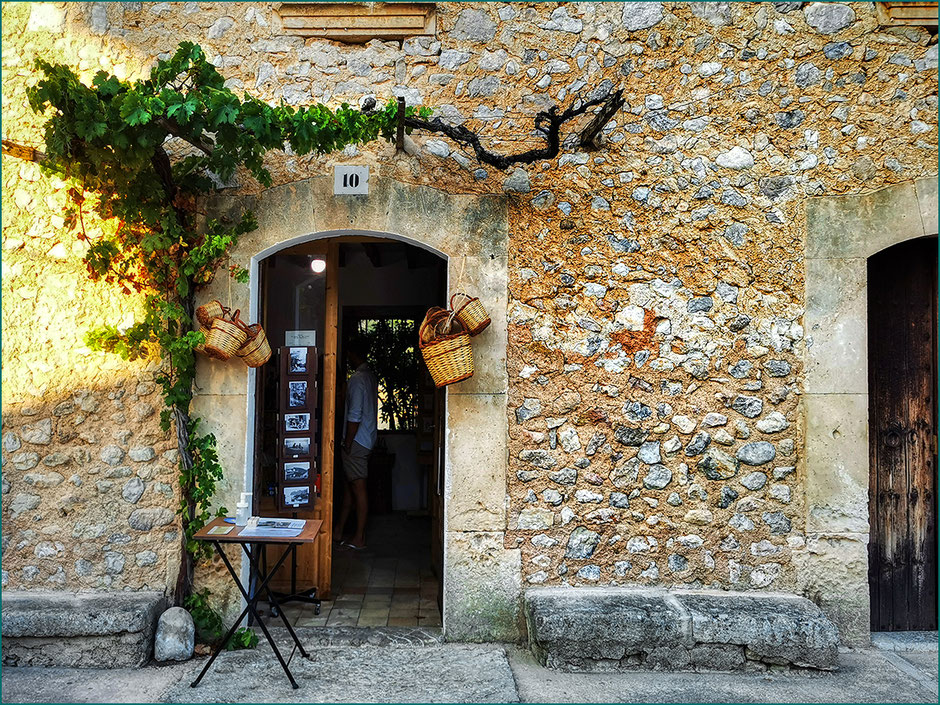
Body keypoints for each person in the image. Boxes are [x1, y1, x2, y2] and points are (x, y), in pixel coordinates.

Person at [336, 337, 378, 550]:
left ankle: (359, 538)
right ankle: (339, 532)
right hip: (368, 439)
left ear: (353, 354)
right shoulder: (370, 376)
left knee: (358, 488)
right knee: (350, 486)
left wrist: (347, 442)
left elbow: (354, 415)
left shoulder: (357, 379)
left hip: (358, 441)